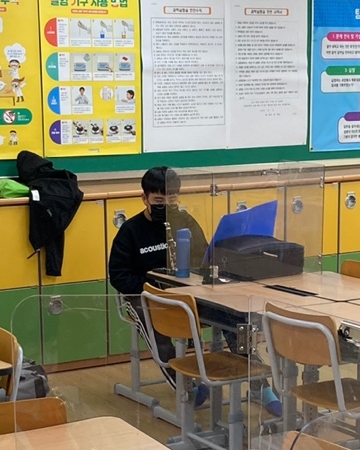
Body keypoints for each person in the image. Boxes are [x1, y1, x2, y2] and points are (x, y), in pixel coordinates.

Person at [107, 167, 281, 415]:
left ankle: (259, 386)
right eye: (158, 200)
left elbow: (204, 258)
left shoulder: (186, 222)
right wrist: (154, 288)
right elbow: (119, 275)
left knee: (234, 318)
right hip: (147, 297)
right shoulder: (131, 231)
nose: (166, 205)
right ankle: (186, 387)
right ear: (144, 198)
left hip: (188, 294)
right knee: (162, 329)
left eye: (172, 199)